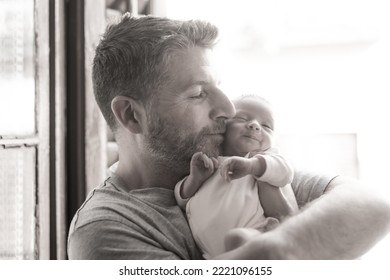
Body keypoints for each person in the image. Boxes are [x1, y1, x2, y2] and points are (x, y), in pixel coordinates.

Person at [67, 13, 390, 260]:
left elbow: (372, 205)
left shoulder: (231, 162)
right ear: (131, 115)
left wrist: (274, 250)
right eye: (198, 94)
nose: (227, 107)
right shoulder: (106, 227)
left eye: (219, 87)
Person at [174, 95, 298, 258]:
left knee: (239, 238)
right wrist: (194, 179)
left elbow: (285, 173)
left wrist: (252, 166)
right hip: (211, 255)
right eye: (241, 118)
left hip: (254, 233)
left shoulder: (261, 160)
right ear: (222, 126)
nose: (254, 125)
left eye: (266, 126)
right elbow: (180, 198)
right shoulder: (209, 162)